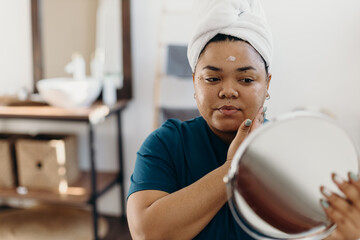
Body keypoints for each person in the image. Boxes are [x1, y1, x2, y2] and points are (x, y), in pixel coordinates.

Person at [127, 0, 360, 239]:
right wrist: (232, 169)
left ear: (267, 83)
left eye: (246, 79)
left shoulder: (294, 152)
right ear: (195, 81)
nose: (228, 91)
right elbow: (147, 233)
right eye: (212, 79)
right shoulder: (166, 145)